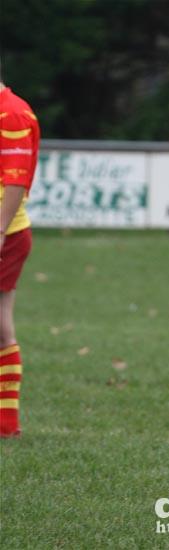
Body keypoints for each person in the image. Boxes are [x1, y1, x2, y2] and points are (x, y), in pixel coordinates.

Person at [0, 81, 40, 437]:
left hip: (7, 233)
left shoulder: (10, 111)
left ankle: (6, 422)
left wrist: (0, 230)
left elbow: (16, 180)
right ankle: (6, 422)